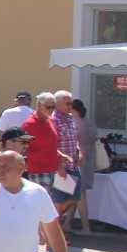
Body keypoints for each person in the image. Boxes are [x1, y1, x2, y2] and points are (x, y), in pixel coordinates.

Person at [22, 93, 68, 193]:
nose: (51, 110)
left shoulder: (50, 121)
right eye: (48, 107)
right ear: (39, 105)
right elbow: (22, 147)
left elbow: (51, 145)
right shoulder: (29, 125)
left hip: (53, 170)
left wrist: (60, 158)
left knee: (55, 201)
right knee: (41, 203)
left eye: (53, 107)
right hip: (39, 170)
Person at [52, 89, 84, 224]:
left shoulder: (70, 119)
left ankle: (52, 220)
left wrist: (80, 152)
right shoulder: (53, 120)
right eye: (68, 103)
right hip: (61, 166)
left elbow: (75, 138)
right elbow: (51, 145)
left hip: (73, 164)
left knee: (75, 196)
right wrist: (59, 166)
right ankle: (54, 229)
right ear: (57, 104)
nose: (71, 106)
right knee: (59, 200)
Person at [71, 97, 99, 233]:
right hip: (89, 161)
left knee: (79, 195)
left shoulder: (74, 123)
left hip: (78, 161)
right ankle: (67, 224)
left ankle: (86, 228)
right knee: (73, 195)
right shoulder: (90, 122)